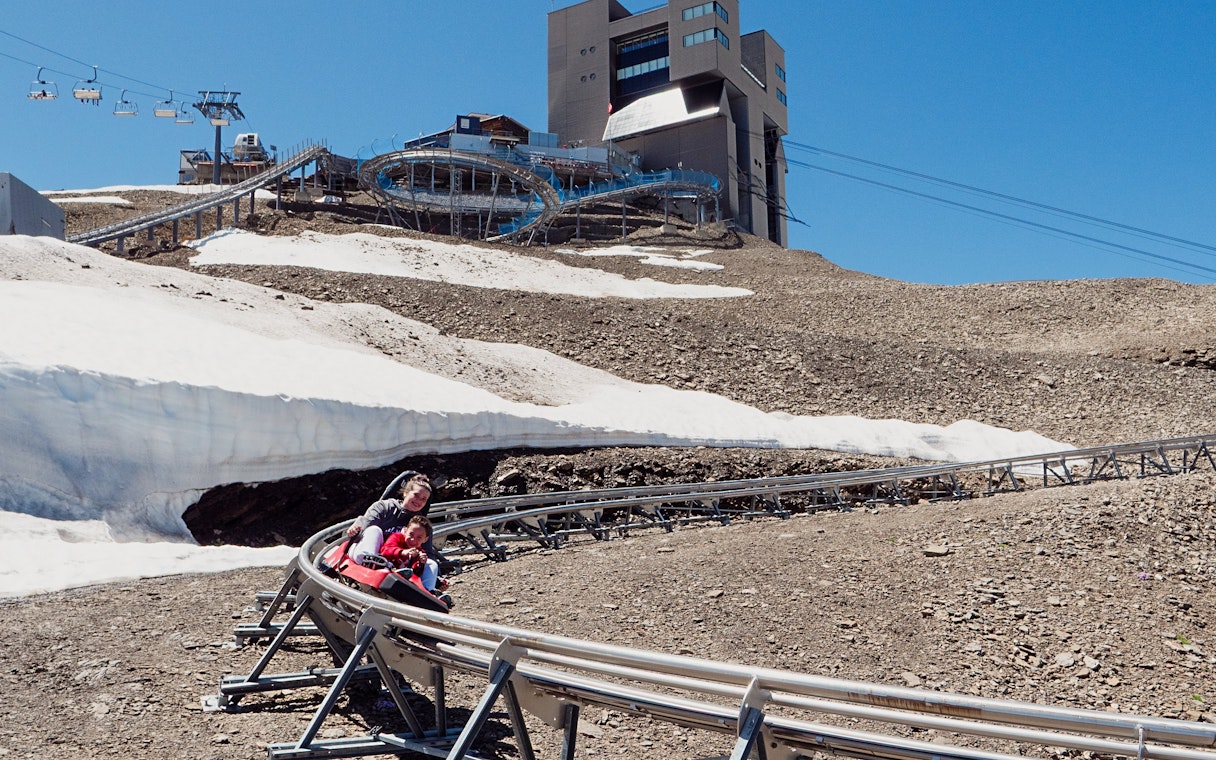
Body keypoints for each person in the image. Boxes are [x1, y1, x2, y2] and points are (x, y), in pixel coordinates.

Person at [346, 471, 432, 566]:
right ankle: (370, 562)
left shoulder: (421, 523)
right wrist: (355, 530)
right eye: (416, 495)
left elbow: (427, 551)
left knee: (431, 564)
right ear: (406, 493)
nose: (419, 501)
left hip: (394, 561)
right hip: (364, 551)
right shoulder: (383, 507)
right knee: (374, 530)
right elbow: (363, 530)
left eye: (424, 499)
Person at [380, 515, 442, 592]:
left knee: (431, 564)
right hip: (386, 573)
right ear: (405, 531)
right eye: (411, 534)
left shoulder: (420, 552)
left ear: (425, 539)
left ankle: (428, 591)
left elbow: (416, 573)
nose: (413, 540)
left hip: (404, 582)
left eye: (419, 537)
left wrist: (420, 564)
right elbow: (385, 550)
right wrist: (402, 552)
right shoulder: (397, 537)